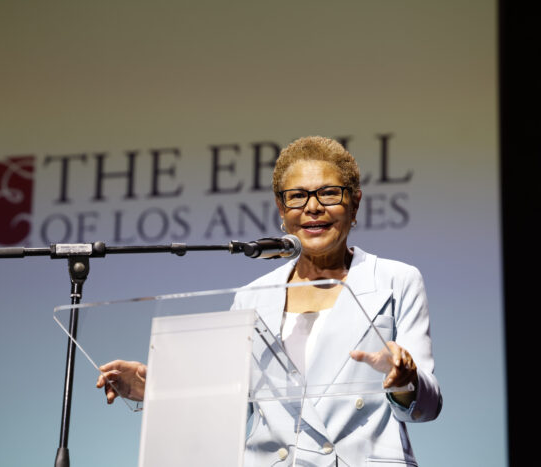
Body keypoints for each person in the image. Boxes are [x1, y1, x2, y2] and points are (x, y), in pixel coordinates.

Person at [97, 136, 442, 466]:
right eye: (297, 196)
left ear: (354, 203)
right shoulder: (252, 297)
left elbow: (429, 405)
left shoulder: (396, 280)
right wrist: (157, 391)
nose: (313, 207)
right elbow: (231, 407)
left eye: (329, 193)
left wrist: (405, 380)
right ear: (281, 207)